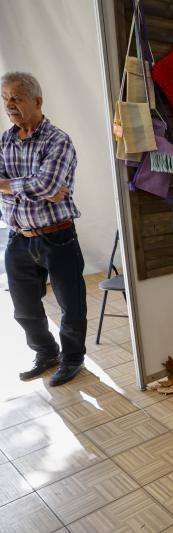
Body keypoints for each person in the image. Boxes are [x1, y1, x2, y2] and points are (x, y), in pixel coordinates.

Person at [0, 72, 87, 387]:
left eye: (17, 98)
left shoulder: (58, 140)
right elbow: (42, 187)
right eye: (5, 98)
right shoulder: (5, 141)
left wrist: (11, 185)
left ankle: (73, 358)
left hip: (58, 236)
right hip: (18, 238)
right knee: (24, 309)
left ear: (37, 101)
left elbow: (47, 183)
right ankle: (47, 353)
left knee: (71, 306)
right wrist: (35, 187)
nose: (10, 105)